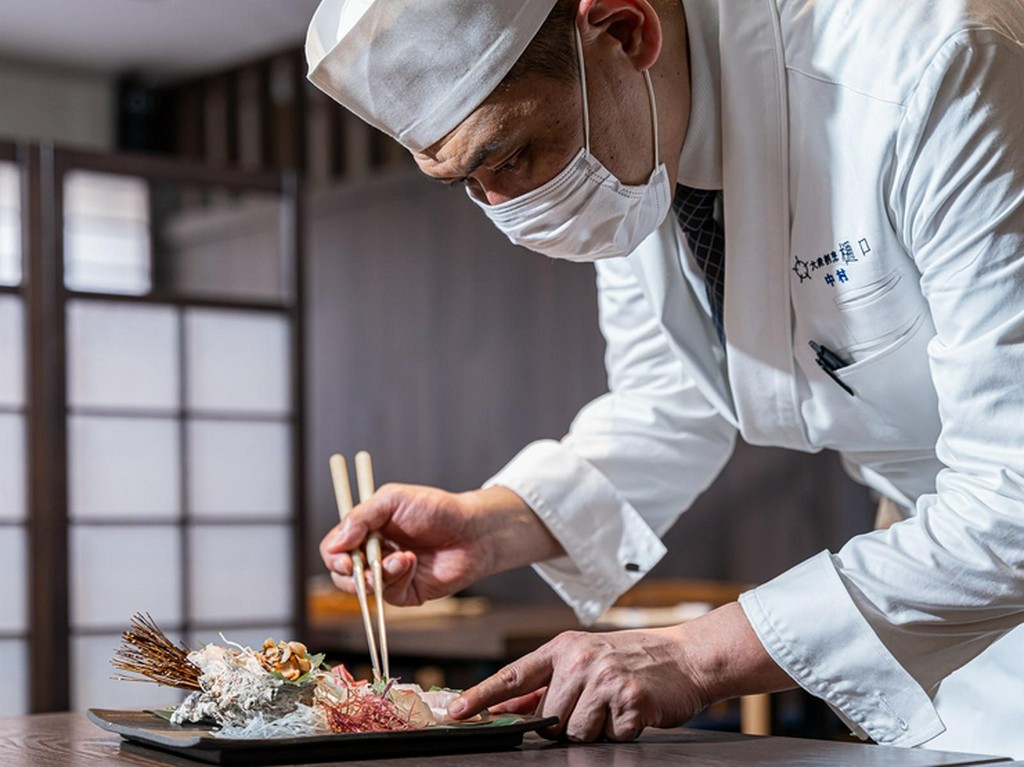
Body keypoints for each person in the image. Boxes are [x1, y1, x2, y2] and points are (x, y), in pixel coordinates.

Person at [305, 0, 1024, 756]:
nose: (507, 211)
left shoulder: (935, 67)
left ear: (623, 31)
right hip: (937, 568)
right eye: (469, 183)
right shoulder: (631, 145)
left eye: (511, 154)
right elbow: (673, 399)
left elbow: (1013, 489)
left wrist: (689, 655)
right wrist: (494, 523)